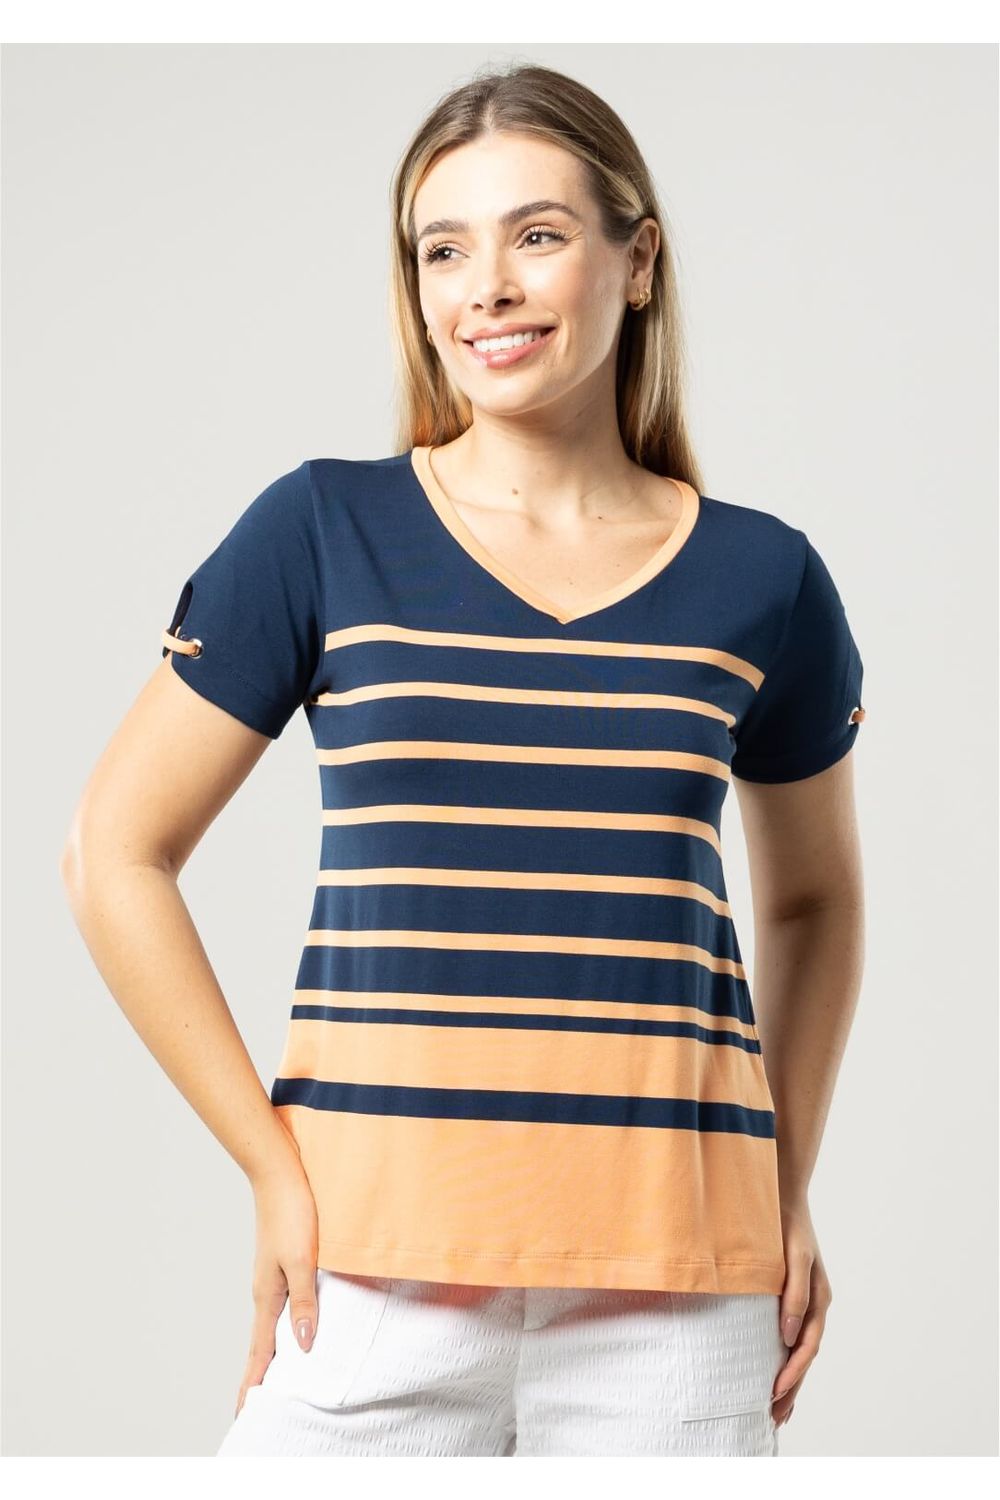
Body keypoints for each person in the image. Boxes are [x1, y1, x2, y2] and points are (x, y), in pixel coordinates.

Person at [60, 62, 867, 1458]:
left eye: (536, 235)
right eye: (444, 249)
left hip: (681, 1297)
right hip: (369, 1276)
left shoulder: (764, 576)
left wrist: (783, 1183)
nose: (485, 287)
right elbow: (113, 854)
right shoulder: (324, 530)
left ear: (639, 261)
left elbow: (816, 900)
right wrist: (272, 1170)